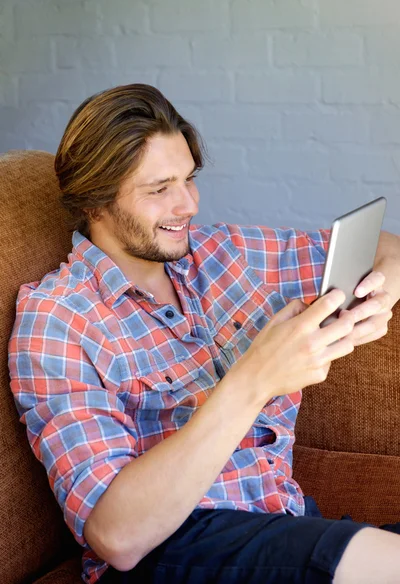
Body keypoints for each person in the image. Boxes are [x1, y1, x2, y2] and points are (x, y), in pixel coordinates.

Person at [8, 83, 400, 584]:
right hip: (172, 550)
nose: (188, 204)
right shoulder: (59, 319)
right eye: (159, 189)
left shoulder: (224, 254)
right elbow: (117, 537)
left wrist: (381, 295)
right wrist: (254, 380)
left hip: (285, 526)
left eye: (189, 179)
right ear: (95, 202)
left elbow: (384, 244)